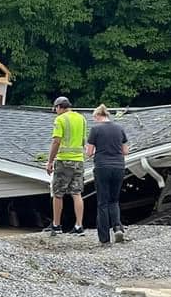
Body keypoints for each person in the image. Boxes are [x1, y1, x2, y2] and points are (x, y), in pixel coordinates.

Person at [85, 104, 130, 245]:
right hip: (119, 166)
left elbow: (89, 152)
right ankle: (117, 227)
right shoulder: (119, 128)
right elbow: (125, 151)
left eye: (94, 118)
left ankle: (104, 238)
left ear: (98, 116)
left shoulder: (95, 129)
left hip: (102, 167)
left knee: (102, 202)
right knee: (114, 200)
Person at [45, 96, 86, 234]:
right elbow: (83, 140)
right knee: (77, 193)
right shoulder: (81, 118)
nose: (55, 112)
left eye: (55, 109)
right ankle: (79, 225)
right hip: (79, 160)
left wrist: (50, 161)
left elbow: (56, 141)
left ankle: (56, 225)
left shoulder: (60, 119)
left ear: (59, 107)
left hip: (64, 160)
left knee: (58, 193)